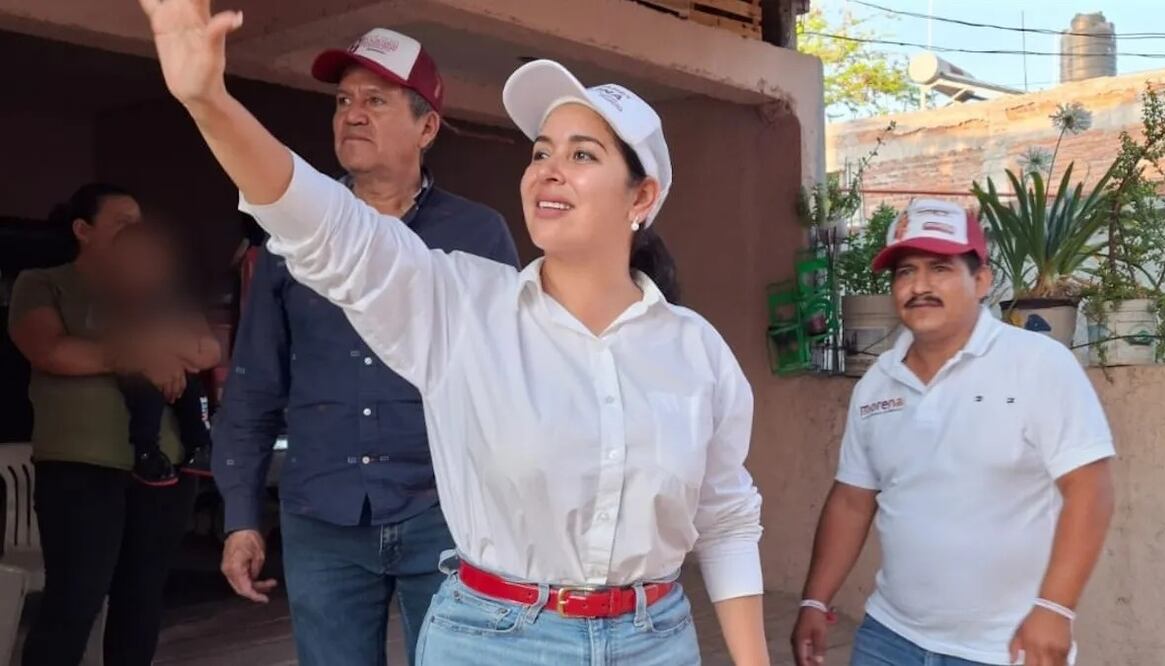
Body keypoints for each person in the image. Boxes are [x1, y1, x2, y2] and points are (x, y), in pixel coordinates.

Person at [138, 1, 769, 664]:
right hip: (497, 641)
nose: (549, 169)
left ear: (641, 198)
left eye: (582, 154)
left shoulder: (695, 351)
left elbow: (724, 516)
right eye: (540, 152)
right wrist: (208, 102)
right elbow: (327, 228)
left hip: (656, 640)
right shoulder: (462, 303)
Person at [211, 26, 519, 666]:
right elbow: (255, 383)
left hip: (445, 515)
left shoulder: (477, 235)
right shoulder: (290, 238)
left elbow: (507, 381)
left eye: (376, 101)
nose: (352, 113)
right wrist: (241, 514)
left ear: (426, 128)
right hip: (322, 516)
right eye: (343, 101)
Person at [790, 199, 1116, 666]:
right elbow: (852, 499)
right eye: (904, 272)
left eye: (939, 268)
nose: (919, 286)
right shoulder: (877, 383)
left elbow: (1090, 487)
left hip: (1004, 646)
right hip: (889, 638)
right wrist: (814, 601)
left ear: (981, 280)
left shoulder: (1039, 365)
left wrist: (1055, 607)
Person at [8, 183, 199, 666]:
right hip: (81, 469)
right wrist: (141, 354)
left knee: (141, 601)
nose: (137, 234)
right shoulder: (44, 282)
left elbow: (206, 349)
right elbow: (50, 350)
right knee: (75, 600)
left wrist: (157, 348)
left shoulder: (158, 290)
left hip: (162, 468)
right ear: (83, 230)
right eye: (122, 224)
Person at [106, 222, 220, 486]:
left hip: (180, 370)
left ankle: (200, 447)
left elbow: (207, 351)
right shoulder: (113, 300)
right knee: (144, 397)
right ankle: (146, 452)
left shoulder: (173, 300)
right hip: (138, 375)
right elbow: (119, 344)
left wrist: (164, 347)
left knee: (195, 389)